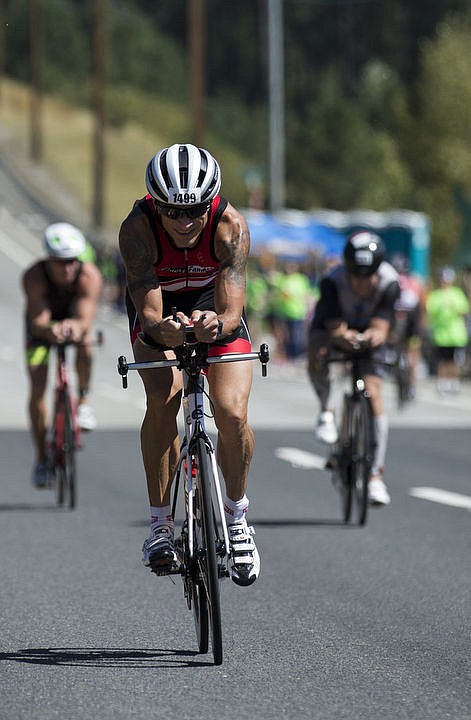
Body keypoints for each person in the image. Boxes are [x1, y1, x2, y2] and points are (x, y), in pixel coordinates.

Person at [118, 143, 259, 587]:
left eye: (195, 210)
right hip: (159, 308)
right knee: (164, 397)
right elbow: (150, 315)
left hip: (212, 305)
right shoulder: (137, 230)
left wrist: (214, 323)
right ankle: (160, 525)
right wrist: (166, 331)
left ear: (210, 202)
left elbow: (233, 312)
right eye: (172, 212)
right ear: (155, 204)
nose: (184, 222)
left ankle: (237, 520)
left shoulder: (230, 227)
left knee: (231, 411)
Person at [307, 231, 400, 506]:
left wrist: (373, 337)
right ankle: (326, 410)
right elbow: (334, 328)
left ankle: (375, 475)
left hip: (371, 330)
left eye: (368, 275)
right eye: (355, 275)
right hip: (335, 329)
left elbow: (382, 327)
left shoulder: (390, 283)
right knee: (318, 351)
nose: (361, 282)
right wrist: (342, 337)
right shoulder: (332, 282)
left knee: (373, 392)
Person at [22, 223, 103, 488]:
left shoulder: (89, 276)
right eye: (60, 263)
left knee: (86, 344)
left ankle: (83, 402)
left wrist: (75, 328)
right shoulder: (34, 276)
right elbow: (38, 321)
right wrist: (50, 329)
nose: (68, 268)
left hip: (73, 321)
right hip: (41, 326)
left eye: (72, 262)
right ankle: (42, 458)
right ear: (48, 259)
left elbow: (84, 318)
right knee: (37, 389)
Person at [426, 266, 469, 394]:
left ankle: (453, 382)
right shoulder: (435, 295)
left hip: (456, 335)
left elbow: (464, 310)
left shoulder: (457, 293)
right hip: (441, 335)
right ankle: (443, 382)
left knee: (454, 360)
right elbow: (430, 310)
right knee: (442, 360)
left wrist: (453, 305)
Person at [390, 253, 427, 399]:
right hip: (411, 322)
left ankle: (400, 374)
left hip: (398, 320)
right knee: (413, 355)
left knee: (398, 351)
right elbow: (423, 305)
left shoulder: (391, 280)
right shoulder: (415, 281)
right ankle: (412, 386)